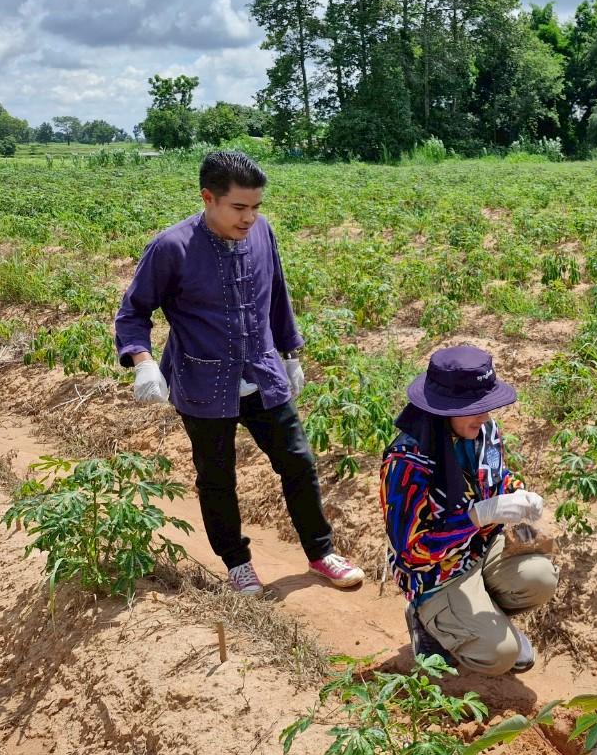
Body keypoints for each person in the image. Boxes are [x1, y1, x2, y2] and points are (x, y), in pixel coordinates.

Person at [114, 151, 365, 595]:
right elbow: (133, 311)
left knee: (298, 463)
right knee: (217, 476)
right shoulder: (172, 247)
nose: (249, 218)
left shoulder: (262, 232)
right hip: (203, 381)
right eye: (239, 207)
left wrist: (289, 352)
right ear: (208, 198)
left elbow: (277, 294)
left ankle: (321, 552)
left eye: (256, 207)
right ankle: (237, 563)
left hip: (261, 371)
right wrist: (144, 362)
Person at [382, 345, 557, 676]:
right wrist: (476, 516)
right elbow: (412, 552)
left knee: (540, 577)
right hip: (435, 573)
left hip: (480, 550)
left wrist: (517, 496)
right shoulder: (406, 461)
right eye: (475, 408)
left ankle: (478, 613)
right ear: (444, 409)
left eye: (487, 406)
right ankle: (428, 623)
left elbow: (496, 481)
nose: (486, 416)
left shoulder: (483, 432)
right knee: (500, 654)